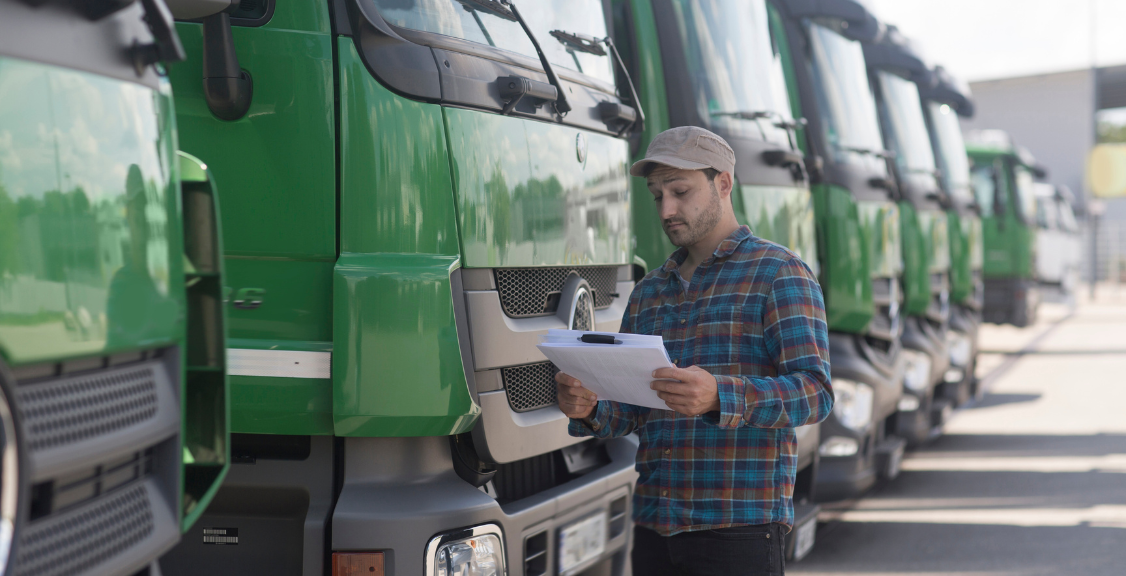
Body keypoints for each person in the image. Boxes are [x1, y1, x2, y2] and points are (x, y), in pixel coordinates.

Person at [556, 126, 833, 576]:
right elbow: (630, 412)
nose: (667, 209)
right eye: (657, 195)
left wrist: (719, 396)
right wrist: (589, 406)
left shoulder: (780, 274)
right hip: (654, 528)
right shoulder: (649, 292)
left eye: (680, 191)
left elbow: (815, 393)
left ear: (723, 183)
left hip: (737, 529)